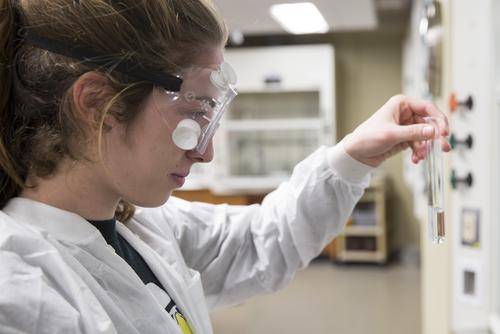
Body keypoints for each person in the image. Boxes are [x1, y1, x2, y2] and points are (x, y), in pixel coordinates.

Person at [0, 0, 450, 333]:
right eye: (194, 115)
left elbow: (259, 242)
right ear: (98, 104)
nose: (206, 152)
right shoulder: (19, 290)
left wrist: (354, 155)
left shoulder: (142, 225)